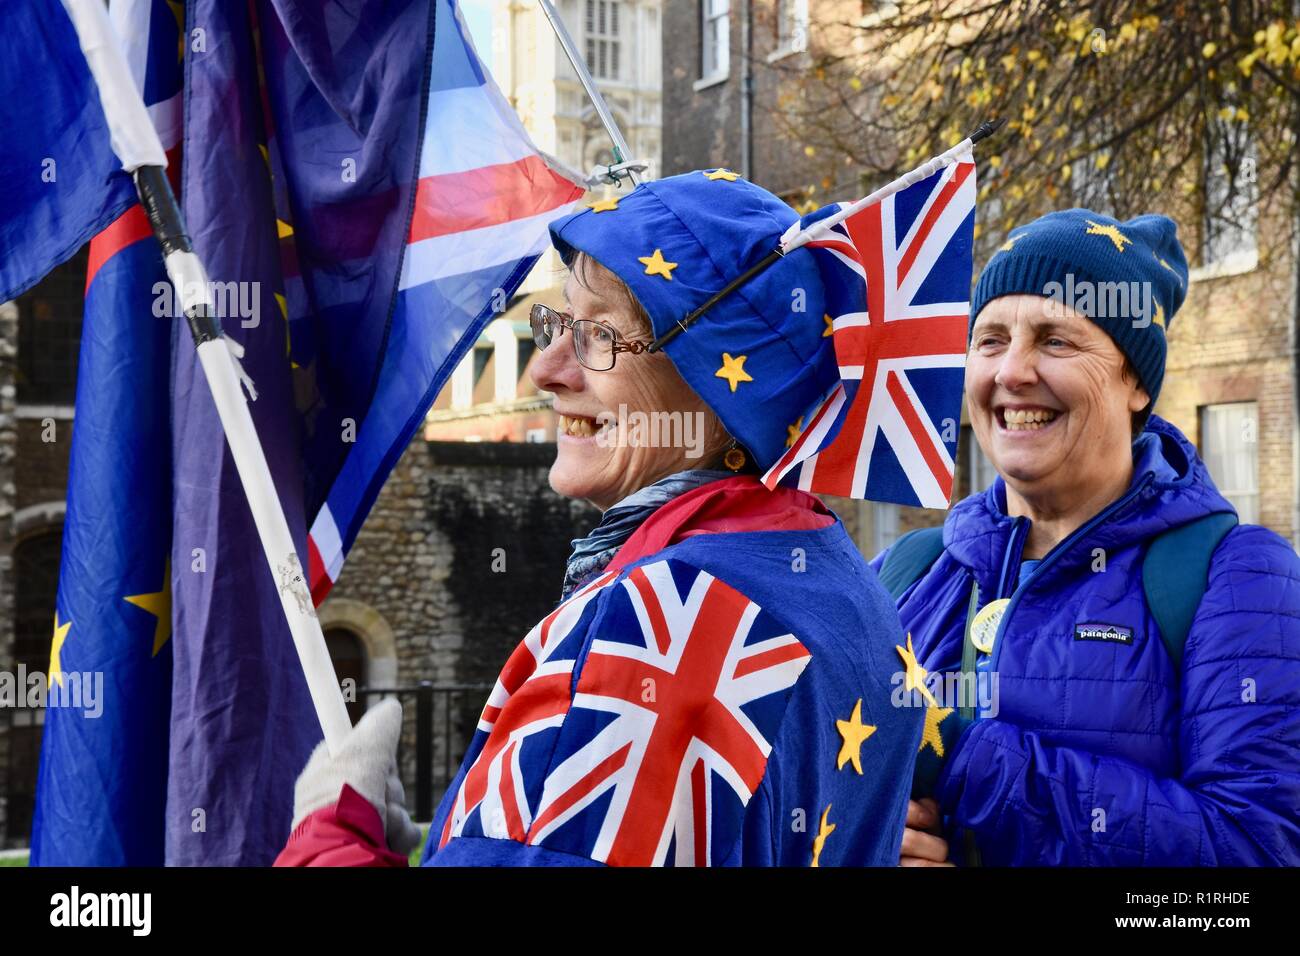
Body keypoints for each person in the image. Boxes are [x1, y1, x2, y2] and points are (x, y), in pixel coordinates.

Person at [275, 170, 926, 867]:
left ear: (717, 382)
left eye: (597, 337)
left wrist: (329, 838)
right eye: (555, 325)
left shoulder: (656, 630)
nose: (544, 372)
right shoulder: (845, 588)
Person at [874, 208, 1300, 866]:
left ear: (1135, 382)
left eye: (1055, 341)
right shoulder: (911, 570)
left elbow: (1251, 861)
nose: (1011, 371)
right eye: (989, 341)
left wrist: (964, 759)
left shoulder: (1238, 579)